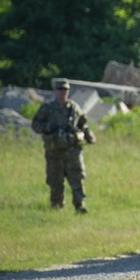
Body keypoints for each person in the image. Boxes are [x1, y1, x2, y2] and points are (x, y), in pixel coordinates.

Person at [30, 78, 95, 213]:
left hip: (72, 151)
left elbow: (83, 124)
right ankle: (56, 205)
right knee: (55, 180)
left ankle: (79, 205)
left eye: (65, 90)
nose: (62, 92)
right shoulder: (47, 108)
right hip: (54, 151)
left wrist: (89, 136)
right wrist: (49, 127)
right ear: (55, 91)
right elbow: (35, 125)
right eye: (60, 89)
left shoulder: (74, 108)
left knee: (77, 178)